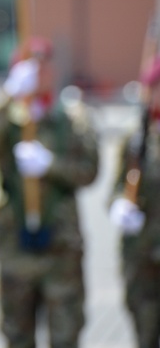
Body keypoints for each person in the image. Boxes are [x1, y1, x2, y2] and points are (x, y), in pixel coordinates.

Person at [0, 37, 98, 348]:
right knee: (17, 334)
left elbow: (91, 170)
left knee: (65, 334)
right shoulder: (9, 119)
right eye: (30, 67)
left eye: (44, 65)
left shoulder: (71, 118)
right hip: (16, 243)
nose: (39, 73)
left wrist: (52, 165)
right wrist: (9, 95)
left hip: (62, 246)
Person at [109, 54, 160, 348]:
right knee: (145, 334)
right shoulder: (135, 138)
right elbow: (116, 188)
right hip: (141, 257)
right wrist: (120, 206)